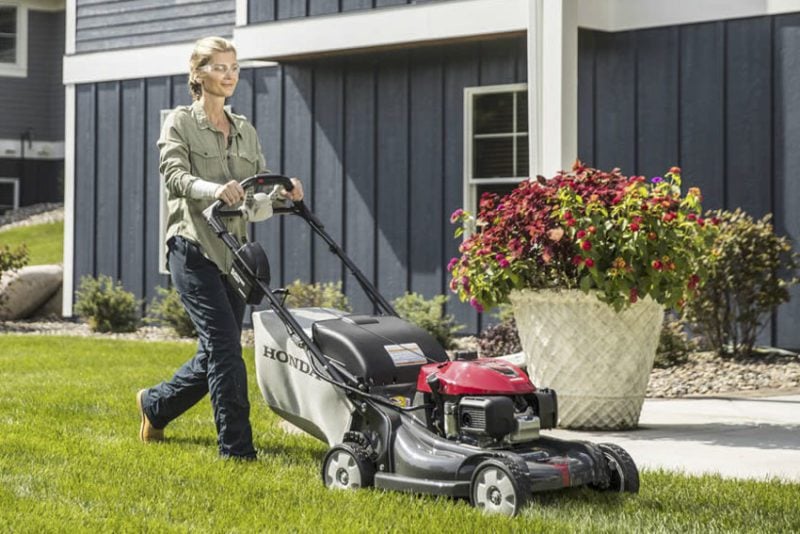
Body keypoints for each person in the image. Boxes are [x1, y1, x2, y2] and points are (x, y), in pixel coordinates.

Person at [136, 36, 303, 460]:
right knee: (226, 349)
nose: (229, 75)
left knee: (216, 349)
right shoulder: (180, 122)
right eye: (219, 67)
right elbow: (174, 176)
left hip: (235, 254)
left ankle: (155, 405)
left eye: (234, 68)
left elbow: (257, 190)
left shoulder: (245, 129)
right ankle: (237, 451)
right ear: (198, 73)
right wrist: (214, 189)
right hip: (193, 249)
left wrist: (283, 192)